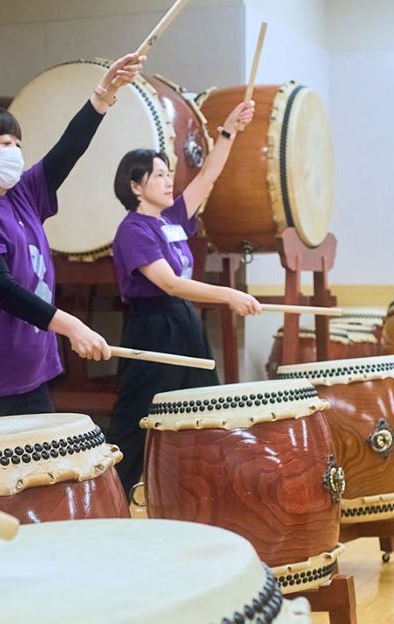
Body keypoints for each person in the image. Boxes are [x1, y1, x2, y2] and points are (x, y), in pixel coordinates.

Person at [0, 53, 144, 424]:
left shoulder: (24, 193)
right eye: (5, 142)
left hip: (30, 378)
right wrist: (72, 325)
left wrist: (104, 93)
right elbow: (2, 289)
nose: (16, 151)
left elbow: (68, 150)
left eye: (18, 142)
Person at [106, 99, 261, 491]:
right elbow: (169, 283)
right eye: (158, 175)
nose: (167, 180)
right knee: (138, 418)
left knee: (204, 407)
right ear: (135, 186)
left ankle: (207, 494)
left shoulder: (172, 218)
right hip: (153, 326)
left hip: (184, 321)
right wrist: (227, 295)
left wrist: (228, 130)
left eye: (167, 172)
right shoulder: (133, 230)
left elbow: (208, 177)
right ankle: (112, 498)